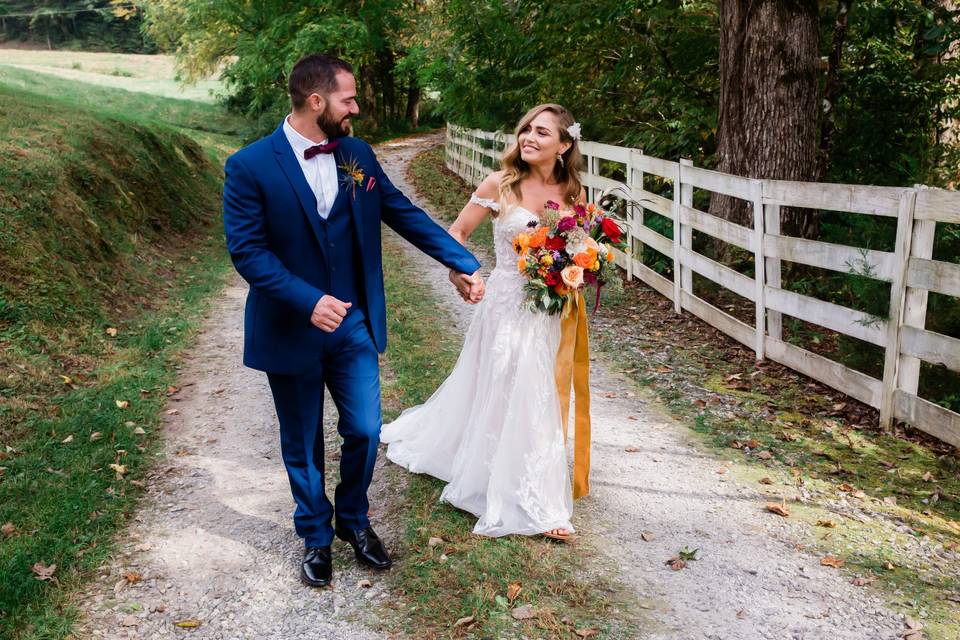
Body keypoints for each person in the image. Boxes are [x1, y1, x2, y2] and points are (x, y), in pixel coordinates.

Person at [222, 53, 484, 587]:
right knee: (302, 441)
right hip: (290, 325)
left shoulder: (357, 154)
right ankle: (315, 536)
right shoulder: (248, 166)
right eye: (349, 99)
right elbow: (248, 253)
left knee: (365, 429)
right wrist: (306, 299)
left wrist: (464, 261)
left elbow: (402, 212)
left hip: (352, 325)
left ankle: (355, 521)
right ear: (316, 101)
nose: (357, 108)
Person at [381, 103, 585, 540]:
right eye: (526, 129)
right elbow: (455, 235)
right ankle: (495, 480)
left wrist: (578, 269)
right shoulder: (500, 185)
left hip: (548, 307)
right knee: (503, 380)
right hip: (506, 300)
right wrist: (460, 271)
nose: (528, 137)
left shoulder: (573, 195)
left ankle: (533, 489)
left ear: (565, 145)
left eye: (542, 133)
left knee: (536, 388)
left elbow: (579, 247)